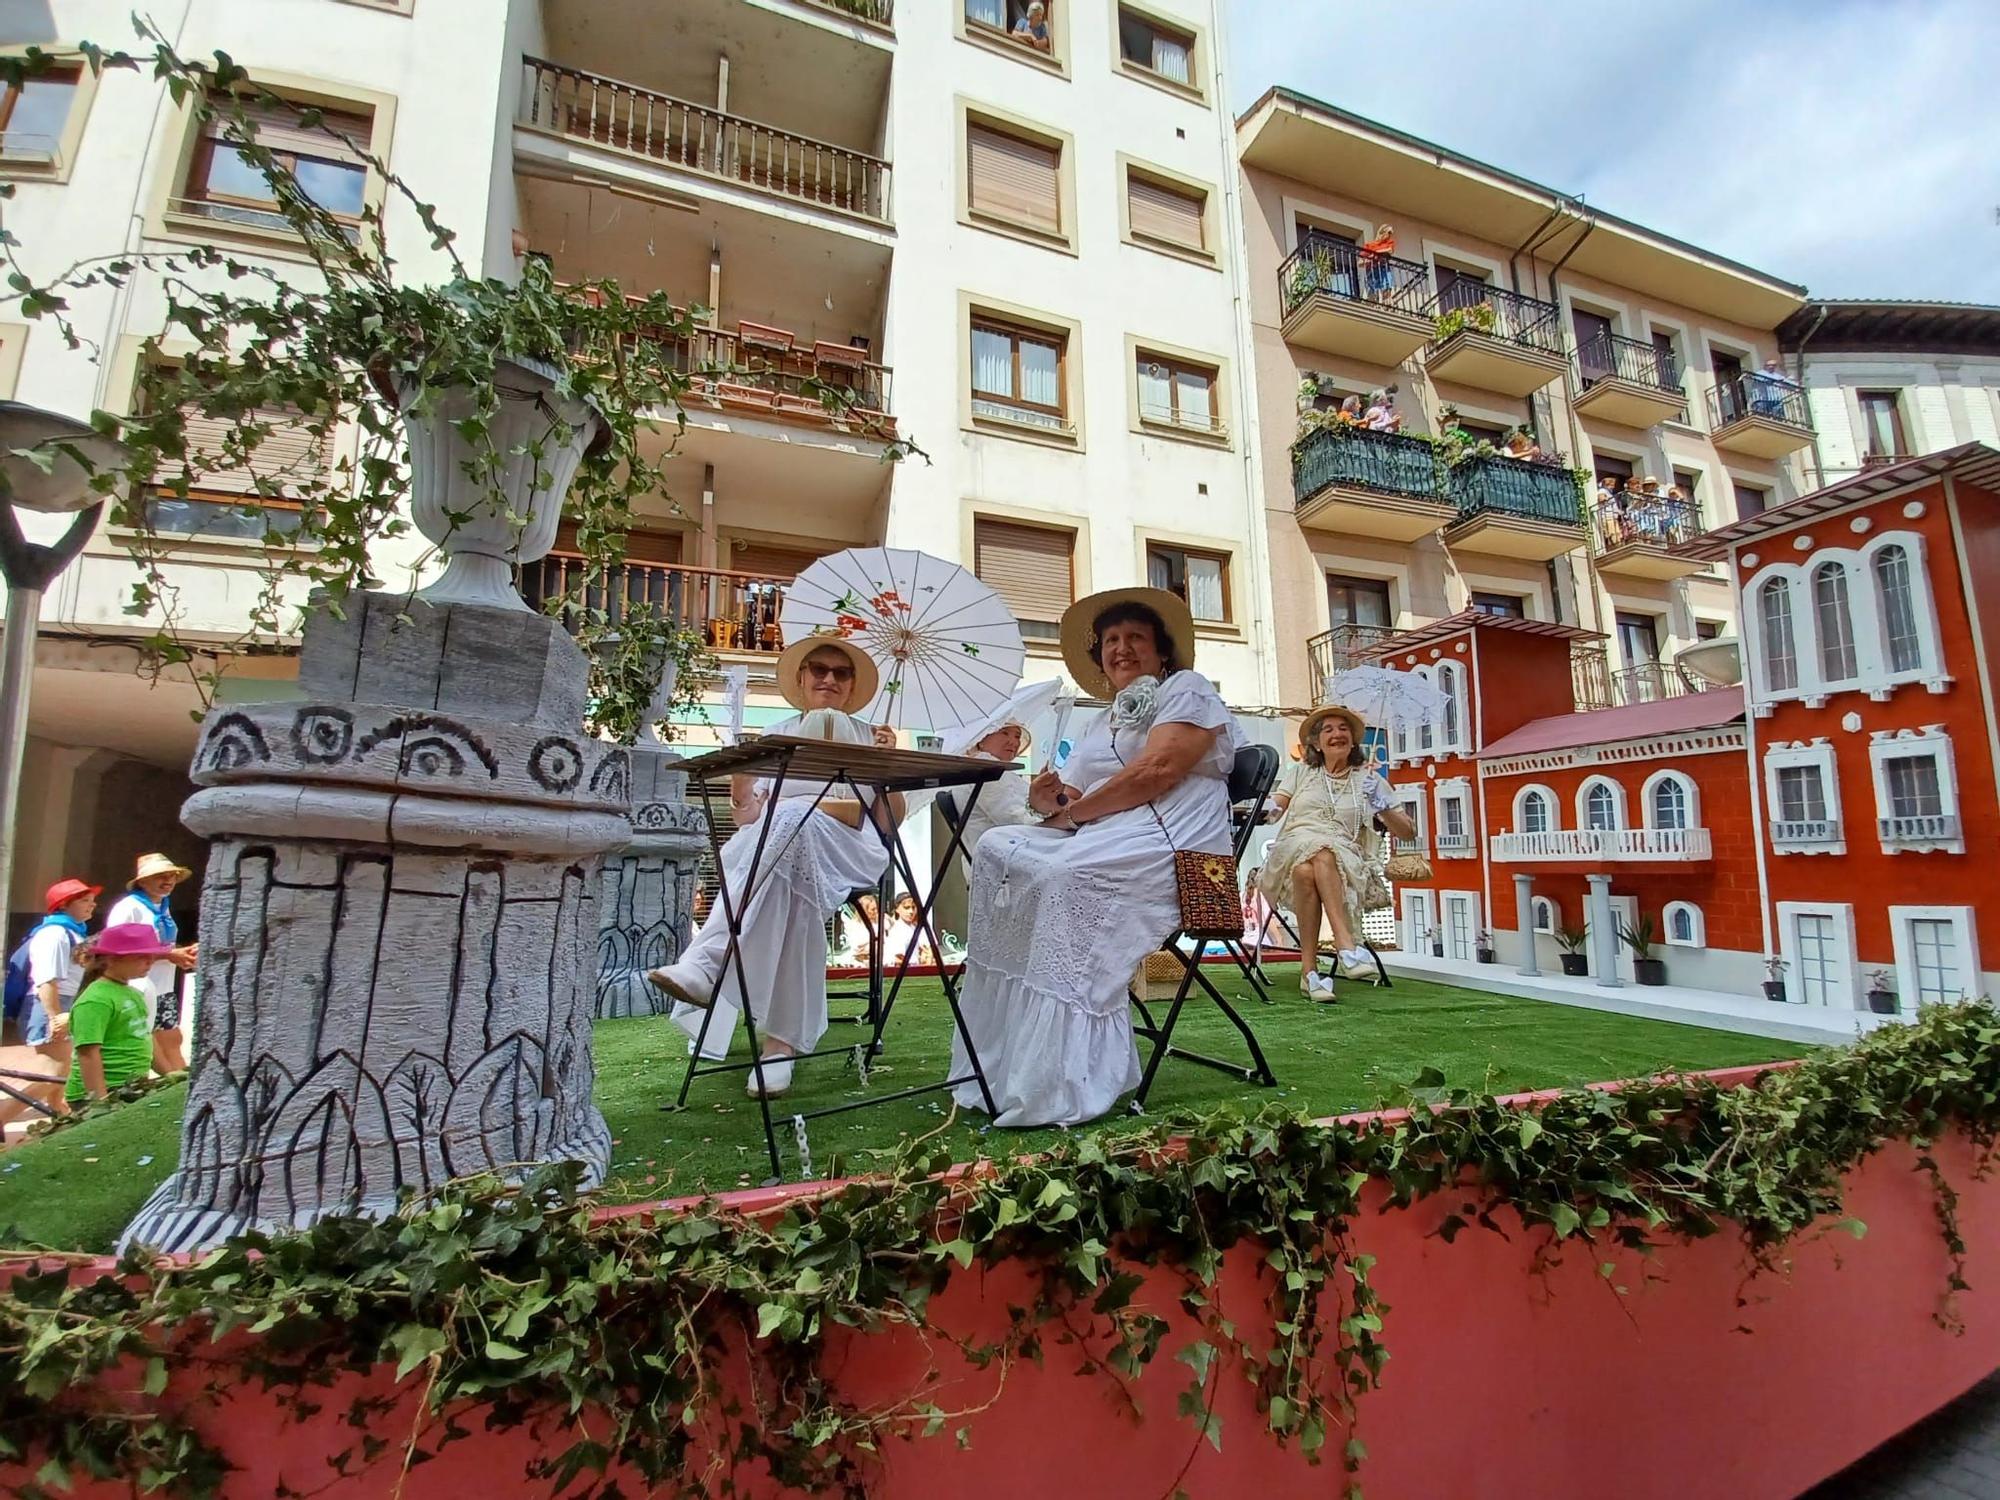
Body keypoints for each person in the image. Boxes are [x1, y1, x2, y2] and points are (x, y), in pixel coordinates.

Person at [948, 586, 1242, 1127]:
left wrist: (1077, 814)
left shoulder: (1187, 689)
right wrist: (1049, 800)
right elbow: (1072, 798)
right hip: (1108, 833)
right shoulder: (1100, 720)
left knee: (1063, 873)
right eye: (1111, 640)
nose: (1121, 648)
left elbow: (1158, 771)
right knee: (996, 847)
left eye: (1135, 637)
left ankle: (1064, 1079)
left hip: (1174, 840)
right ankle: (1005, 1060)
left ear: (1162, 650)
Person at [647, 633, 901, 1097]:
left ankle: (708, 963)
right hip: (777, 850)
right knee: (790, 868)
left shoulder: (871, 736)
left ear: (852, 685)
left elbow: (885, 824)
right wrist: (742, 781)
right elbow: (746, 816)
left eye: (840, 672)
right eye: (819, 669)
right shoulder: (776, 735)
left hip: (847, 847)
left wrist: (888, 768)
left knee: (788, 822)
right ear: (802, 678)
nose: (829, 679)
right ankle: (778, 1048)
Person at [1259, 707, 1416, 1000]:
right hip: (1293, 846)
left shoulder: (1369, 780)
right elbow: (1276, 806)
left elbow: (1407, 832)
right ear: (1317, 743)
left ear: (1353, 740)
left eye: (1343, 729)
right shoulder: (1302, 772)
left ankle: (1309, 974)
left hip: (1345, 861)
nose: (1337, 734)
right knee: (1320, 850)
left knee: (1308, 869)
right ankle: (1346, 946)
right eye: (1328, 729)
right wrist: (1267, 809)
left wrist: (1381, 804)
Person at [103, 853, 198, 1075]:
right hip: (137, 987)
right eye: (160, 876)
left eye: (172, 876)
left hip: (163, 987)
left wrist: (185, 953)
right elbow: (116, 949)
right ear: (143, 882)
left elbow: (165, 946)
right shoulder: (128, 908)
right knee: (148, 1046)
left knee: (172, 1041)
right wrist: (170, 955)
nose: (168, 881)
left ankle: (180, 1087)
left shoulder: (162, 907)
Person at [64, 923, 174, 1105]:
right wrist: (101, 1102)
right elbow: (88, 1054)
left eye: (152, 955)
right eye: (141, 956)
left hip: (131, 1087)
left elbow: (144, 1036)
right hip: (102, 1093)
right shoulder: (96, 999)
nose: (150, 961)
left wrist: (170, 1075)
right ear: (111, 959)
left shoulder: (132, 992)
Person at [883, 893, 937, 968]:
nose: (911, 911)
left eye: (913, 907)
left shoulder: (915, 927)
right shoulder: (897, 931)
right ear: (897, 909)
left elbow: (928, 949)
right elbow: (898, 958)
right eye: (906, 908)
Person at [838, 890, 884, 965]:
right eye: (873, 909)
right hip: (858, 962)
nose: (876, 911)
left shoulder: (881, 924)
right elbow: (857, 946)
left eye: (876, 908)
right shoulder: (854, 926)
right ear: (864, 911)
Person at [1359, 222, 1396, 298]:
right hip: (1372, 269)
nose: (1390, 236)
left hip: (1383, 267)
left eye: (1391, 234)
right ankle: (1373, 301)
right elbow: (1360, 263)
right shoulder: (1369, 245)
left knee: (1387, 287)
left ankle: (1386, 302)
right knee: (1373, 290)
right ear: (1382, 232)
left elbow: (1389, 250)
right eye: (1389, 233)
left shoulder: (1389, 243)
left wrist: (1374, 254)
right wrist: (1368, 259)